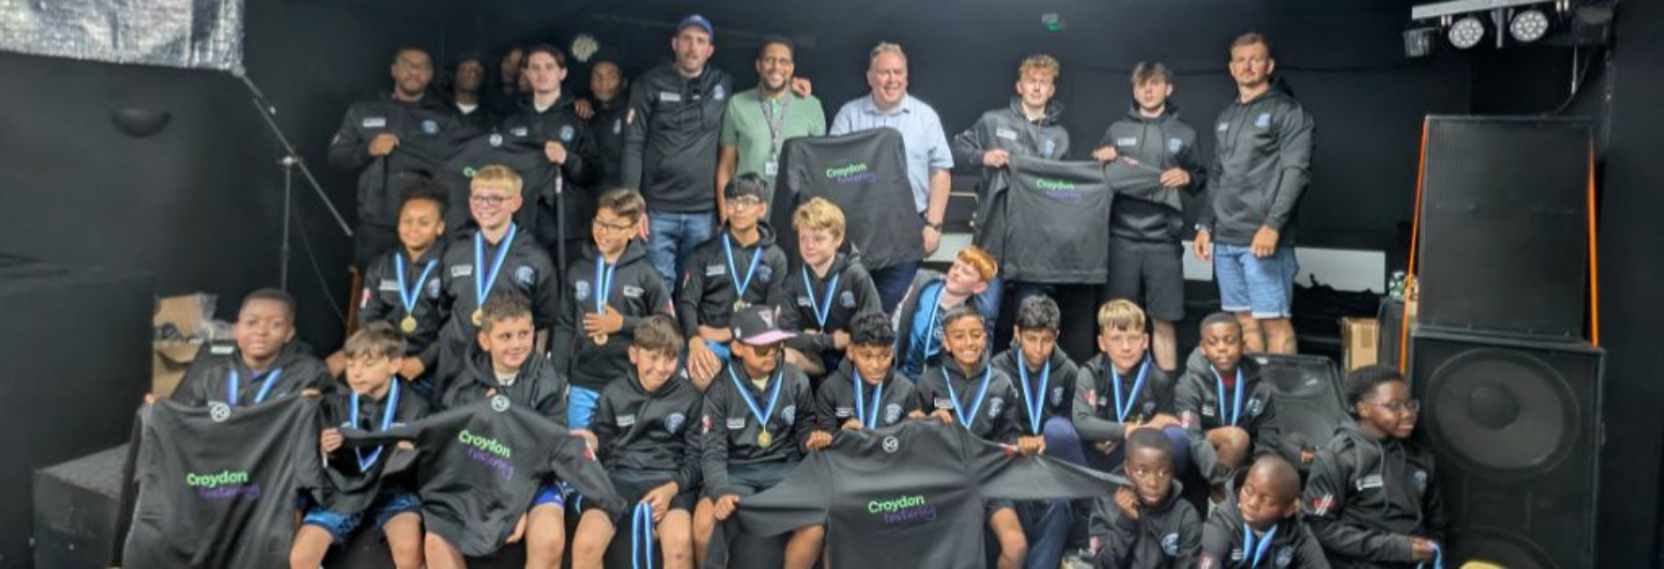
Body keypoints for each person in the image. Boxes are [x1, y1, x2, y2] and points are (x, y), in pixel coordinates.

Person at [1192, 33, 1316, 355]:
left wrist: (1273, 225)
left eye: (1255, 59)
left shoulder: (1288, 112)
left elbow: (1297, 173)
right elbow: (1217, 175)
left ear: (1269, 65)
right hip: (1226, 239)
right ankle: (1254, 388)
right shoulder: (1226, 117)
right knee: (1243, 323)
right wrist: (1205, 225)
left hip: (1263, 237)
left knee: (1274, 323)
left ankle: (1281, 389)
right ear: (1231, 68)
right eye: (1241, 60)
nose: (1247, 66)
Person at [430, 292, 573, 569]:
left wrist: (516, 504)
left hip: (533, 480)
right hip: (479, 479)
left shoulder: (547, 380)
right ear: (485, 341)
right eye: (505, 336)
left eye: (523, 334)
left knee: (549, 538)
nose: (517, 344)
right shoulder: (464, 385)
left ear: (533, 333)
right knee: (437, 539)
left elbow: (551, 451)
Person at [1091, 62, 1207, 373]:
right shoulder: (1117, 130)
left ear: (1168, 89)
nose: (1148, 90)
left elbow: (1201, 178)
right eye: (1141, 84)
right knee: (1118, 321)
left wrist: (1187, 176)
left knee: (1164, 321)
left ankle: (1167, 392)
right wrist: (1099, 158)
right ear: (1134, 89)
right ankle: (1115, 392)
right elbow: (1096, 177)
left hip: (1163, 241)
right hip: (1121, 240)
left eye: (1154, 83)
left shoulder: (1185, 133)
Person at [692, 306, 825, 569]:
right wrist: (720, 491)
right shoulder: (720, 389)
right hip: (736, 472)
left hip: (784, 470)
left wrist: (811, 439)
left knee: (815, 528)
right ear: (737, 348)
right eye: (762, 349)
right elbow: (713, 451)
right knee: (703, 523)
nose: (772, 354)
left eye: (777, 346)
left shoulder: (795, 378)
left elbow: (804, 427)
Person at [913, 306, 1044, 569]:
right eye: (959, 336)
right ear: (946, 342)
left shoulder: (1001, 382)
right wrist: (923, 423)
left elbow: (1010, 435)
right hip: (944, 482)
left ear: (985, 338)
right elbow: (914, 441)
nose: (969, 342)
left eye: (975, 334)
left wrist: (1023, 443)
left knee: (1016, 546)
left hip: (990, 479)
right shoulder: (929, 382)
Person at [291, 323, 429, 569]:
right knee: (301, 558)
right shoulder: (336, 402)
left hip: (391, 490)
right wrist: (328, 451)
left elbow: (429, 458)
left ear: (394, 364)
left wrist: (411, 453)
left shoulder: (416, 405)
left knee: (408, 549)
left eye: (368, 364)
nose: (356, 373)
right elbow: (317, 458)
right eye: (351, 364)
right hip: (343, 491)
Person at [569, 316, 703, 569]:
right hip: (619, 480)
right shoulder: (613, 393)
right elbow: (605, 450)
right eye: (653, 357)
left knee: (679, 545)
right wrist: (593, 443)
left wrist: (672, 489)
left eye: (669, 359)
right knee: (586, 544)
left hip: (669, 480)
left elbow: (697, 458)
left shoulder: (691, 397)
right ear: (634, 355)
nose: (661, 368)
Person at [829, 42, 953, 312]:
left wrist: (933, 225)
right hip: (857, 232)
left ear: (907, 77)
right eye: (884, 72)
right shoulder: (849, 115)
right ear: (870, 77)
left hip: (907, 230)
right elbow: (832, 169)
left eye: (898, 72)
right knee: (851, 307)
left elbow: (940, 172)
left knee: (893, 309)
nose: (892, 79)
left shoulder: (926, 117)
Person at [951, 54, 1071, 324]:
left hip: (1036, 243)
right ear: (1020, 86)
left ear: (1051, 90)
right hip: (992, 237)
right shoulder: (992, 121)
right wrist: (984, 157)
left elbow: (1063, 189)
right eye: (1031, 80)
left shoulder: (1060, 136)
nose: (1037, 87)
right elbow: (956, 150)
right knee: (984, 314)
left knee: (1031, 319)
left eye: (1044, 82)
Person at [328, 46, 470, 267]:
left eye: (422, 67)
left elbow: (462, 166)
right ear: (394, 70)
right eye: (407, 65)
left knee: (424, 285)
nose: (414, 71)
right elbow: (336, 158)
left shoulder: (447, 117)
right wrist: (368, 149)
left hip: (424, 224)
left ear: (430, 74)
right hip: (376, 225)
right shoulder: (363, 111)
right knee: (372, 284)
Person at [621, 14, 734, 287]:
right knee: (659, 289)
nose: (693, 48)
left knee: (696, 289)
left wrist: (793, 83)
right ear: (674, 43)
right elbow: (633, 144)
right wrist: (633, 205)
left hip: (704, 211)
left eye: (701, 41)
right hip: (658, 210)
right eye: (687, 39)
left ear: (710, 50)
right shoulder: (649, 83)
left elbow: (764, 90)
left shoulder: (723, 83)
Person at [435, 165, 560, 396]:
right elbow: (443, 308)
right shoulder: (456, 251)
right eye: (478, 198)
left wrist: (534, 370)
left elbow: (543, 320)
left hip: (507, 369)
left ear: (516, 202)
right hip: (456, 366)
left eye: (495, 198)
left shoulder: (535, 257)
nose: (485, 205)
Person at [1302, 366, 1446, 568]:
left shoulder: (1421, 457)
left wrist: (1432, 549)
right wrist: (1396, 549)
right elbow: (1321, 527)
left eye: (1410, 404)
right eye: (1394, 406)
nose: (1408, 413)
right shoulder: (1337, 459)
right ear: (1363, 409)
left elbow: (1437, 524)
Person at [555, 189, 674, 429]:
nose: (603, 231)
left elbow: (666, 325)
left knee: (622, 444)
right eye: (599, 223)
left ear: (633, 230)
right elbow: (564, 325)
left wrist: (623, 324)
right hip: (583, 381)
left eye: (613, 226)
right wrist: (558, 375)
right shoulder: (578, 269)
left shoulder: (646, 273)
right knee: (579, 444)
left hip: (628, 380)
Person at [987, 295, 1081, 569]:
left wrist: (1047, 440)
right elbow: (990, 424)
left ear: (1057, 336)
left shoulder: (1068, 371)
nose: (1039, 349)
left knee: (1060, 507)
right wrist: (1016, 442)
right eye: (1031, 339)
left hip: (1049, 465)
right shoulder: (997, 368)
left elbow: (1072, 426)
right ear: (1017, 333)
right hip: (1009, 464)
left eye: (1047, 340)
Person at [678, 174, 790, 386]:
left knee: (787, 370)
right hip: (711, 343)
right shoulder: (703, 252)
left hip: (755, 341)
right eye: (731, 202)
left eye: (747, 202)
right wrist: (694, 339)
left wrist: (729, 332)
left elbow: (773, 311)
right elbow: (687, 302)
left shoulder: (776, 257)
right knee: (701, 375)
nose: (738, 209)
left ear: (762, 209)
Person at [341, 185, 450, 396]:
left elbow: (455, 325)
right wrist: (390, 358)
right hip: (387, 361)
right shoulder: (382, 264)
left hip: (435, 365)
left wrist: (423, 360)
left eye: (424, 222)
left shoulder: (451, 265)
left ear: (440, 227)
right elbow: (369, 318)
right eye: (407, 221)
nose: (413, 228)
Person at [499, 44, 601, 261]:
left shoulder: (579, 118)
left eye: (549, 67)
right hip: (522, 221)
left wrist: (567, 158)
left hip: (567, 225)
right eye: (535, 68)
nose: (541, 73)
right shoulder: (512, 121)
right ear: (526, 73)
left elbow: (593, 173)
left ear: (562, 73)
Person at [1067, 299, 1187, 471]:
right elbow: (1082, 422)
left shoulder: (1159, 379)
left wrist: (1148, 428)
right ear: (1102, 343)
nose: (1126, 347)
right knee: (1058, 430)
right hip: (1096, 451)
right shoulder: (1090, 373)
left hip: (1139, 459)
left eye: (1133, 338)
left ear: (1145, 341)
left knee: (1177, 437)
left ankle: (1162, 486)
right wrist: (1126, 430)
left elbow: (1170, 421)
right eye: (1116, 339)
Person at [1175, 313, 1283, 503]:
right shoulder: (1189, 383)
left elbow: (1268, 436)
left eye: (1230, 341)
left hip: (1240, 458)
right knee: (1235, 438)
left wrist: (1257, 478)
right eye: (1213, 342)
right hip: (1200, 453)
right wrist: (1219, 478)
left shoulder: (1259, 385)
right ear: (1202, 348)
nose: (1222, 348)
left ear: (1243, 345)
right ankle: (1219, 498)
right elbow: (1191, 436)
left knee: (1289, 456)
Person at [168, 288, 331, 407]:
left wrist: (314, 408)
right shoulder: (212, 373)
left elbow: (336, 420)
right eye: (251, 322)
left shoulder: (309, 374)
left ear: (289, 333)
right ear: (236, 329)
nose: (261, 331)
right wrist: (161, 410)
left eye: (275, 325)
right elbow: (183, 418)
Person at [776, 198, 882, 379]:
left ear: (838, 239)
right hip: (815, 357)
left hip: (851, 358)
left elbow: (874, 328)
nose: (809, 245)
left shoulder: (856, 276)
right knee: (783, 356)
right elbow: (785, 335)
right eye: (803, 238)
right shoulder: (795, 281)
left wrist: (850, 341)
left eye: (818, 239)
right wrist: (830, 341)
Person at [716, 36, 827, 203]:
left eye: (783, 61)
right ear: (758, 65)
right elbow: (726, 167)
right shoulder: (737, 104)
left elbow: (819, 166)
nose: (776, 67)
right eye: (769, 60)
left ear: (791, 68)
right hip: (748, 210)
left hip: (797, 211)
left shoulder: (811, 105)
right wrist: (726, 214)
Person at [1088, 429, 1201, 569]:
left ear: (1172, 472)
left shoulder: (1185, 515)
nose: (1153, 483)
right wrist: (1125, 524)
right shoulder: (1106, 504)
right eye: (1141, 472)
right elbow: (1101, 565)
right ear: (1127, 469)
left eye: (1163, 473)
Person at [1199, 456, 1331, 569]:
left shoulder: (1296, 531)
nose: (1252, 503)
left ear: (1289, 509)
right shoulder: (1222, 524)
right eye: (1248, 491)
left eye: (1266, 500)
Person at [892, 245, 999, 380]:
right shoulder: (924, 285)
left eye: (966, 272)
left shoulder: (972, 319)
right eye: (955, 266)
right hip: (901, 374)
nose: (956, 273)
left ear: (979, 287)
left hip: (938, 384)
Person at [811, 310, 920, 433]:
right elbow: (825, 441)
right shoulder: (829, 390)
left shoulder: (906, 390)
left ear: (893, 352)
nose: (876, 365)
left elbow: (911, 440)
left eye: (884, 356)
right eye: (867, 356)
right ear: (850, 351)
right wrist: (842, 436)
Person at [587, 61, 630, 188]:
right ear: (590, 84)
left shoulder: (632, 113)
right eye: (597, 77)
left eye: (612, 77)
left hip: (624, 192)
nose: (603, 82)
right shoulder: (589, 113)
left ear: (623, 82)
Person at [448, 51, 496, 132]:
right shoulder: (439, 111)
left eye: (477, 71)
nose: (472, 74)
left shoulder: (492, 119)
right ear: (454, 74)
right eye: (465, 69)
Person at [488, 46, 529, 117]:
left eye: (518, 64)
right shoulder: (487, 92)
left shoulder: (527, 98)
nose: (510, 67)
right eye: (508, 61)